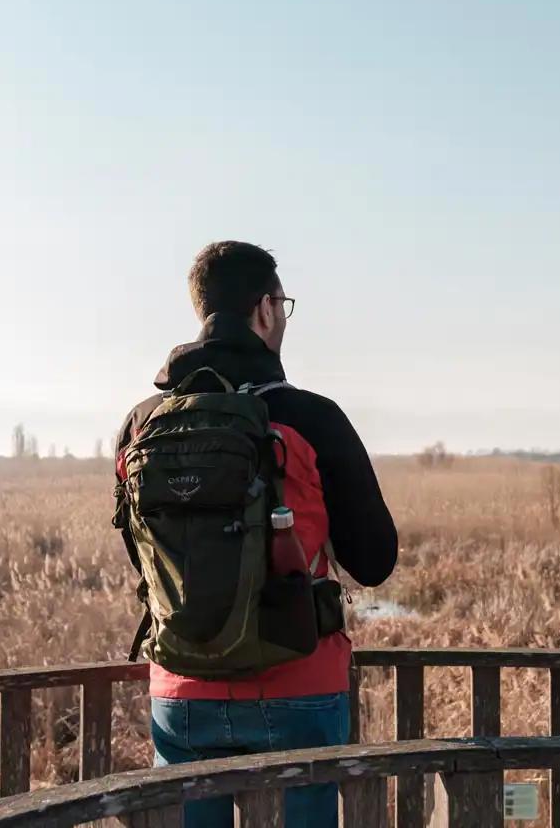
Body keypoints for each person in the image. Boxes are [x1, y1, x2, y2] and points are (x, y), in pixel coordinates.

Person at [115, 241, 398, 828]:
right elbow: (374, 561)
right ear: (266, 310)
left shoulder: (142, 424)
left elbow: (143, 556)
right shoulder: (313, 418)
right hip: (300, 680)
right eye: (283, 307)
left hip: (182, 687)